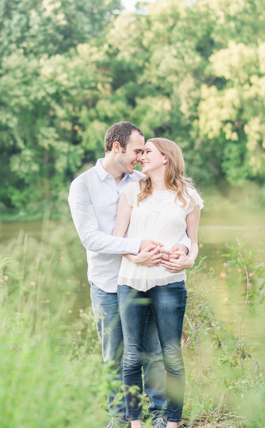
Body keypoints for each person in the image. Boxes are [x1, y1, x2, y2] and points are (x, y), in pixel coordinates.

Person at [68, 122, 192, 428]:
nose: (140, 156)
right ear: (116, 148)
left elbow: (177, 224)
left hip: (145, 280)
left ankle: (161, 415)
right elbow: (91, 239)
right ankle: (120, 419)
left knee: (152, 352)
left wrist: (183, 250)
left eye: (144, 151)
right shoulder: (82, 186)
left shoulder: (143, 181)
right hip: (108, 282)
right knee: (116, 354)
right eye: (137, 150)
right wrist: (136, 246)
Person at [113, 138, 202, 428]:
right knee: (132, 356)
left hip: (170, 282)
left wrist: (188, 257)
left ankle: (172, 423)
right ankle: (136, 423)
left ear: (166, 158)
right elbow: (117, 239)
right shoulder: (131, 192)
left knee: (172, 356)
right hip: (131, 280)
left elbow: (194, 241)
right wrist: (135, 256)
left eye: (147, 152)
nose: (141, 157)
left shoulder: (189, 197)